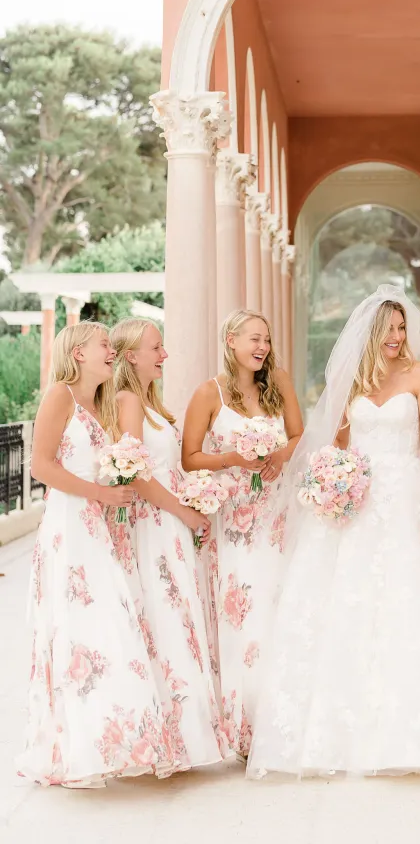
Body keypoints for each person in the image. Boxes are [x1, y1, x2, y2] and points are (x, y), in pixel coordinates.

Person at [246, 287, 420, 779]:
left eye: (401, 328)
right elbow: (338, 442)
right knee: (350, 605)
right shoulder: (352, 381)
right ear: (370, 333)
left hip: (409, 494)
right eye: (388, 329)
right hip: (359, 504)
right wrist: (331, 479)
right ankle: (346, 735)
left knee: (413, 603)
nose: (397, 337)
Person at [17, 322, 172, 787]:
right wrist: (100, 496)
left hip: (102, 529)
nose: (112, 352)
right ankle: (73, 752)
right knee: (76, 633)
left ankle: (106, 741)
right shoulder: (60, 395)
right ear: (78, 352)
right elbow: (41, 465)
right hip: (71, 528)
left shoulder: (100, 404)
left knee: (107, 630)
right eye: (104, 345)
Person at [181, 309, 303, 756]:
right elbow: (190, 457)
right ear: (230, 340)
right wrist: (232, 458)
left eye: (266, 340)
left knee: (280, 608)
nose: (262, 348)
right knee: (243, 617)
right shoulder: (207, 393)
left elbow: (298, 437)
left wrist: (277, 457)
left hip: (276, 517)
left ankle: (284, 720)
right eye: (254, 338)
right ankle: (247, 728)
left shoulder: (280, 383)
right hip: (233, 522)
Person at [112, 317, 231, 771]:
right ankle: (170, 738)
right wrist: (184, 510)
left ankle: (185, 737)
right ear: (131, 356)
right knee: (164, 619)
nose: (164, 355)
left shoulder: (149, 401)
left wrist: (194, 496)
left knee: (179, 617)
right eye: (156, 348)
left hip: (171, 523)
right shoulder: (127, 401)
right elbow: (138, 475)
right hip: (154, 526)